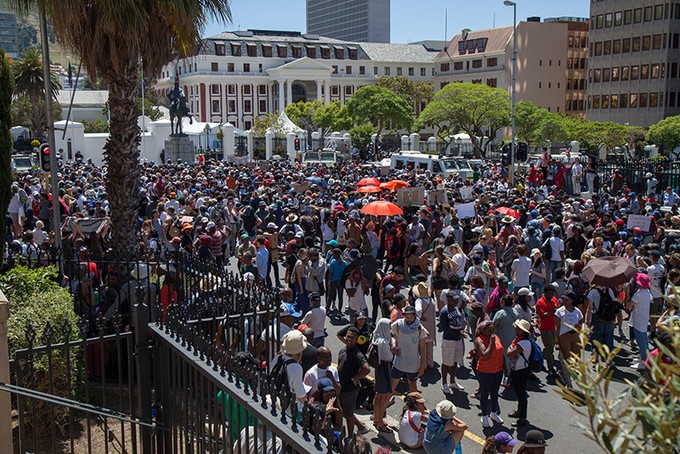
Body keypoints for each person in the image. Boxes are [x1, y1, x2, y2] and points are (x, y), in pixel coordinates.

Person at [337, 326, 370, 436]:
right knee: (345, 412)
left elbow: (366, 369)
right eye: (348, 336)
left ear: (357, 339)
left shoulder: (357, 354)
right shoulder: (343, 350)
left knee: (349, 414)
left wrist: (356, 377)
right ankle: (361, 427)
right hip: (341, 387)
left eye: (352, 337)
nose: (349, 339)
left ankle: (350, 436)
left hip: (350, 390)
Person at [473, 320, 505, 428]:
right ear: (482, 330)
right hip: (485, 371)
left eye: (493, 329)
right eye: (489, 329)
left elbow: (501, 353)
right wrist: (491, 342)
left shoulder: (496, 337)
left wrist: (505, 370)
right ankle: (484, 415)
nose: (492, 331)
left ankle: (494, 412)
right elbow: (485, 355)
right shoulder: (479, 340)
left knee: (495, 392)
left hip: (498, 370)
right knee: (485, 393)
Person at [269, 330, 309, 411]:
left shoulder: (277, 358)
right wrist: (308, 406)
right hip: (290, 409)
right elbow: (300, 395)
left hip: (275, 400)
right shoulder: (296, 368)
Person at [391, 305, 427, 394]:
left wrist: (422, 365)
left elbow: (422, 348)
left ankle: (413, 407)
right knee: (391, 387)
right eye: (407, 317)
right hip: (399, 362)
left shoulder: (420, 329)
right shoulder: (397, 324)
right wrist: (392, 348)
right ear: (404, 315)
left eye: (411, 317)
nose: (409, 319)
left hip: (413, 364)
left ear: (414, 316)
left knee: (413, 390)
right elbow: (387, 334)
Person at [438, 292, 467, 393]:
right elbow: (443, 327)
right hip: (448, 340)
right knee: (446, 362)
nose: (456, 301)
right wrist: (457, 333)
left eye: (457, 300)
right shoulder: (444, 311)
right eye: (454, 300)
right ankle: (444, 383)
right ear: (448, 300)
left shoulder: (456, 309)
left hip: (457, 340)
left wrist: (460, 332)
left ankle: (452, 382)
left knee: (455, 361)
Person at [507, 319, 533, 427]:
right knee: (518, 392)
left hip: (521, 371)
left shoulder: (524, 343)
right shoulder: (519, 340)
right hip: (517, 370)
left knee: (521, 394)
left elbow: (510, 353)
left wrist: (510, 348)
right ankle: (519, 412)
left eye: (519, 329)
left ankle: (522, 418)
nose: (516, 330)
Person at [370, 318, 394, 433]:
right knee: (382, 396)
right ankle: (380, 423)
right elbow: (389, 357)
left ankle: (377, 418)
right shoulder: (383, 342)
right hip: (384, 368)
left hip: (380, 368)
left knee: (378, 396)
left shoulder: (376, 337)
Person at [555, 291, 583, 387]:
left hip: (574, 335)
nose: (564, 301)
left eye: (567, 300)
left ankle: (563, 374)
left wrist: (578, 327)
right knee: (567, 360)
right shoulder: (560, 311)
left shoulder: (577, 311)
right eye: (564, 299)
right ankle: (568, 383)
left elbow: (581, 322)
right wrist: (557, 341)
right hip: (564, 335)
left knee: (576, 359)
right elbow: (557, 327)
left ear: (571, 300)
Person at [627, 273, 652, 370]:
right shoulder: (647, 293)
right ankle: (644, 358)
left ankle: (643, 362)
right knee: (644, 340)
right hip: (644, 320)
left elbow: (629, 307)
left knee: (641, 342)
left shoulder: (638, 295)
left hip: (638, 320)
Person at [535, 284, 560, 375]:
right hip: (545, 328)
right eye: (549, 293)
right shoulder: (540, 302)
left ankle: (543, 354)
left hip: (554, 327)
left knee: (551, 346)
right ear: (545, 293)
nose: (551, 295)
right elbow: (542, 315)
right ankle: (550, 367)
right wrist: (551, 312)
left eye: (552, 293)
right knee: (550, 349)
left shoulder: (554, 299)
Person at [414, 280, 436, 370]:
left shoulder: (419, 301)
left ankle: (424, 365)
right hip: (431, 324)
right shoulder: (432, 300)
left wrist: (420, 316)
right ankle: (430, 363)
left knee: (422, 347)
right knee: (430, 346)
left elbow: (418, 310)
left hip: (423, 325)